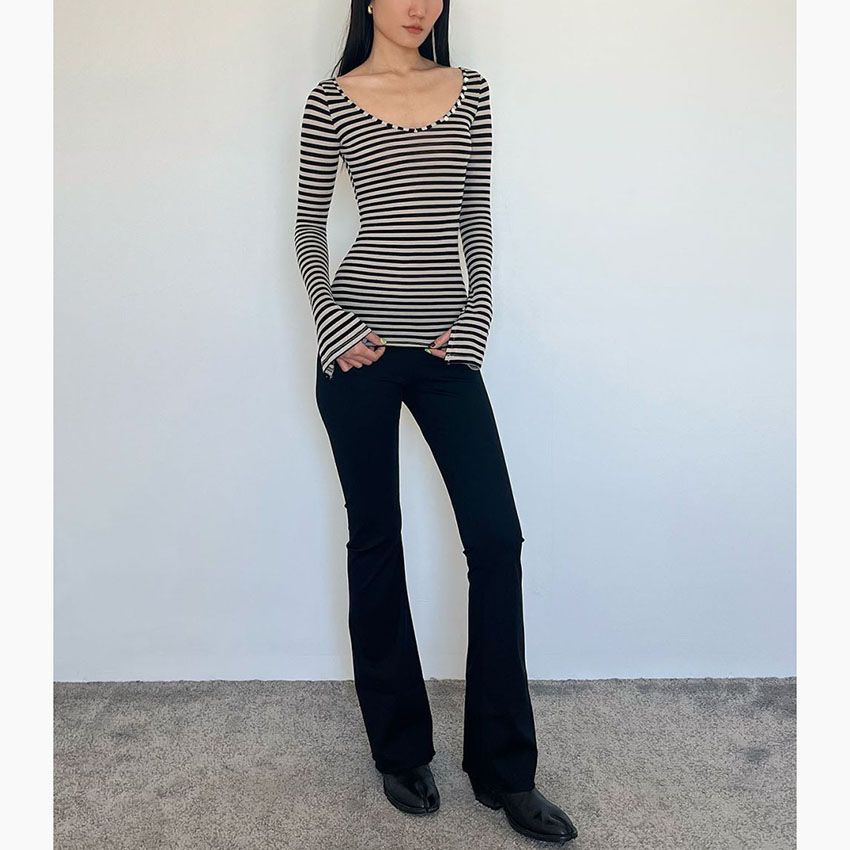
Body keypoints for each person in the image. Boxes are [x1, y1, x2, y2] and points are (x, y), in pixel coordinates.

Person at [293, 2, 578, 844]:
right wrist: (334, 324)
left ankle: (505, 771)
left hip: (448, 349)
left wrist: (479, 311)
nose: (419, 5)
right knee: (376, 537)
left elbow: (473, 217)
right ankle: (399, 749)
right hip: (359, 351)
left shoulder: (471, 91)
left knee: (495, 538)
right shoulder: (330, 99)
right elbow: (309, 227)